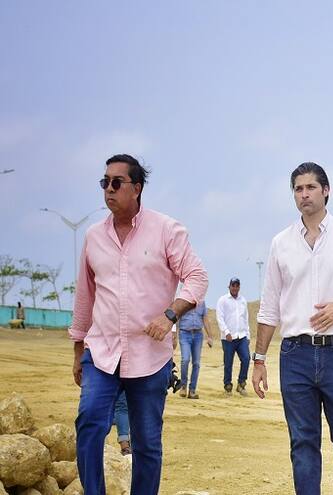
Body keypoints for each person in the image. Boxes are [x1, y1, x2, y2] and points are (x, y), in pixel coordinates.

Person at [69, 153, 208, 495]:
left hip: (149, 357)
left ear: (137, 188)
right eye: (105, 182)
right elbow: (85, 295)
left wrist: (170, 314)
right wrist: (78, 350)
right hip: (101, 353)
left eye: (117, 182)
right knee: (89, 424)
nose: (109, 189)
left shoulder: (166, 230)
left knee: (146, 442)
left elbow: (196, 277)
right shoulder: (93, 237)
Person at [252, 162, 333, 494]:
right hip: (296, 355)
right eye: (298, 189)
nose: (304, 194)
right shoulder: (281, 243)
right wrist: (259, 359)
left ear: (326, 191)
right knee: (303, 442)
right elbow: (269, 306)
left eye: (310, 187)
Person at [216, 278, 250, 396]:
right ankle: (228, 386)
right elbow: (220, 318)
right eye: (233, 285)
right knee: (228, 362)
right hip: (228, 338)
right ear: (229, 286)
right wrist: (226, 332)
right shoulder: (223, 300)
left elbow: (245, 318)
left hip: (241, 336)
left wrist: (248, 335)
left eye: (237, 286)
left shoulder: (243, 301)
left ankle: (241, 383)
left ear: (239, 287)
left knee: (246, 359)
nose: (235, 288)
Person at [173, 299, 212, 399]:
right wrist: (174, 336)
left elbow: (205, 318)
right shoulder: (183, 300)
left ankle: (192, 390)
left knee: (196, 363)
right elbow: (177, 318)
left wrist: (210, 336)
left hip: (198, 334)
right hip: (184, 334)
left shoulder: (202, 302)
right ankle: (183, 386)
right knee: (185, 360)